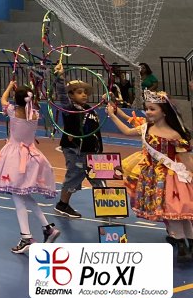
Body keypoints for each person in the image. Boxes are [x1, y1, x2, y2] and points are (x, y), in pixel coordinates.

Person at [107, 90, 193, 262]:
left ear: (164, 111)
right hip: (153, 177)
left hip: (171, 179)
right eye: (147, 109)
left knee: (177, 212)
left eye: (152, 109)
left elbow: (186, 160)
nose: (148, 112)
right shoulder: (146, 128)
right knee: (172, 212)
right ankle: (182, 243)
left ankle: (185, 244)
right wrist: (112, 115)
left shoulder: (174, 135)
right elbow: (127, 131)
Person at [0, 81, 60, 254]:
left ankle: (26, 236)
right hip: (32, 157)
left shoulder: (13, 111)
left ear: (16, 99)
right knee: (24, 195)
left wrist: (9, 86)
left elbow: (3, 100)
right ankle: (47, 228)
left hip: (15, 158)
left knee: (18, 197)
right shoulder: (34, 114)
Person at [54, 80, 105, 218]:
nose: (84, 95)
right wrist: (60, 78)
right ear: (71, 95)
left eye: (85, 92)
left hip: (92, 149)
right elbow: (62, 96)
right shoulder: (69, 109)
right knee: (74, 175)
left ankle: (106, 208)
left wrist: (99, 148)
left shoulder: (90, 109)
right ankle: (62, 205)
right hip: (75, 150)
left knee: (99, 178)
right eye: (79, 92)